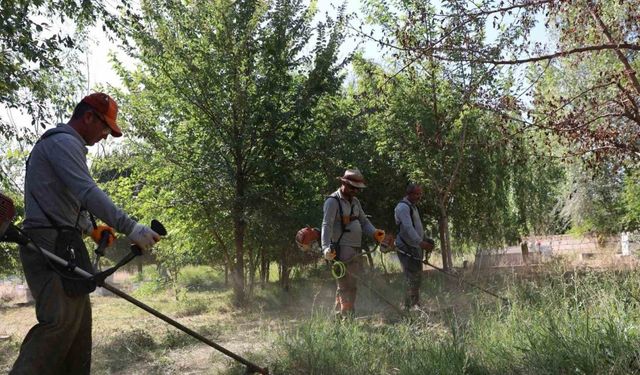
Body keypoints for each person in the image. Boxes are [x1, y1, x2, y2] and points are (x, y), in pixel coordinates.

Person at [11, 92, 161, 375]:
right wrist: (130, 226)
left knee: (79, 327)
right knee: (59, 323)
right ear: (88, 116)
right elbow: (87, 192)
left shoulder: (67, 146)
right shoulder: (62, 142)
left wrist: (92, 229)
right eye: (105, 127)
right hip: (46, 242)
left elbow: (66, 200)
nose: (105, 135)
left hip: (63, 241)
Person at [321, 168, 385, 318]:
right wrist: (325, 248)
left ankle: (341, 314)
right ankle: (346, 315)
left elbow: (364, 221)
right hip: (341, 248)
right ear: (343, 183)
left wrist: (375, 232)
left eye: (357, 189)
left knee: (352, 283)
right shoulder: (332, 201)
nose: (355, 191)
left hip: (355, 248)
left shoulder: (355, 202)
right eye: (352, 187)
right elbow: (326, 225)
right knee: (344, 283)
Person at [394, 183, 434, 310]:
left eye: (420, 194)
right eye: (417, 194)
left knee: (416, 276)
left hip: (414, 246)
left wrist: (425, 239)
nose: (419, 196)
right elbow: (408, 228)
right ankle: (408, 306)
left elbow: (417, 228)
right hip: (406, 247)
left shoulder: (413, 207)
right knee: (411, 275)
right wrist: (421, 243)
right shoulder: (402, 207)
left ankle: (414, 303)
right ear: (409, 193)